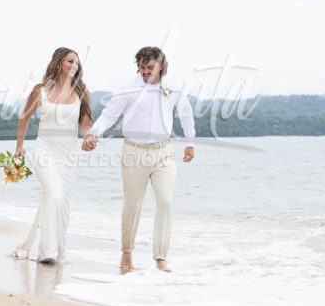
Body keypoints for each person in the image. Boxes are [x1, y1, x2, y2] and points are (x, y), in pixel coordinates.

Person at [82, 46, 195, 274]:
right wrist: (93, 133)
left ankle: (161, 257)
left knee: (166, 202)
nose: (145, 71)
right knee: (132, 205)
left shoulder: (173, 87)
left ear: (161, 66)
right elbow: (109, 115)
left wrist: (190, 142)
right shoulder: (128, 89)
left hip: (163, 151)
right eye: (142, 67)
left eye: (150, 67)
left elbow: (185, 113)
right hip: (134, 151)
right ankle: (127, 252)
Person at [11, 47, 93, 263]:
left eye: (76, 62)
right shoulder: (40, 91)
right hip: (44, 150)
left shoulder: (82, 92)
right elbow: (23, 118)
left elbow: (85, 125)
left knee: (62, 203)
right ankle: (46, 252)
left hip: (69, 156)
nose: (74, 65)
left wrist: (88, 138)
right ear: (58, 63)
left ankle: (58, 249)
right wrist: (19, 147)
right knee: (54, 194)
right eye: (70, 61)